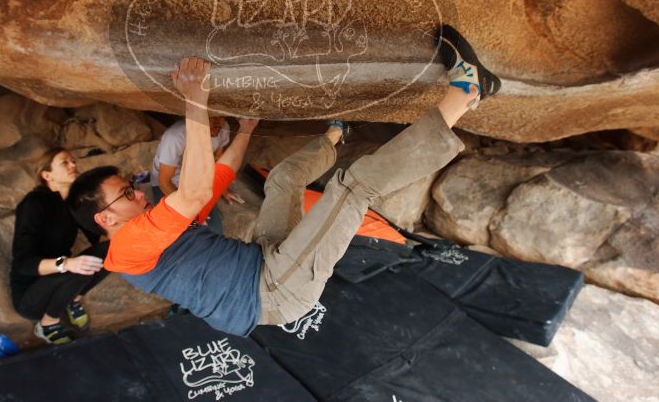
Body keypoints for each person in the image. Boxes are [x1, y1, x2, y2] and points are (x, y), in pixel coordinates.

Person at [68, 25, 501, 336]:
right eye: (124, 194)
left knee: (284, 178)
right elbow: (195, 189)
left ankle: (336, 133)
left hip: (265, 259)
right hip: (274, 289)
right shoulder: (124, 250)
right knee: (352, 187)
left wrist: (247, 130)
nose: (136, 193)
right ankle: (466, 90)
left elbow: (218, 176)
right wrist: (195, 98)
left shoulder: (159, 228)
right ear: (104, 219)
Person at [10, 148, 110, 345]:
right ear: (47, 175)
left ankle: (73, 298)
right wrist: (66, 264)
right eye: (65, 162)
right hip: (31, 295)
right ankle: (47, 324)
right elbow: (24, 263)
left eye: (73, 161)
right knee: (77, 267)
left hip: (66, 276)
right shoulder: (34, 203)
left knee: (113, 248)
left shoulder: (74, 203)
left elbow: (96, 236)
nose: (73, 165)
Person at [150, 115, 244, 235]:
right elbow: (164, 181)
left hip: (195, 180)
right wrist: (188, 209)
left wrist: (222, 188)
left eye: (222, 117)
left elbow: (219, 159)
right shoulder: (176, 137)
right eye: (211, 117)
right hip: (169, 183)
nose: (218, 123)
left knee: (214, 229)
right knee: (181, 230)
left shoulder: (223, 128)